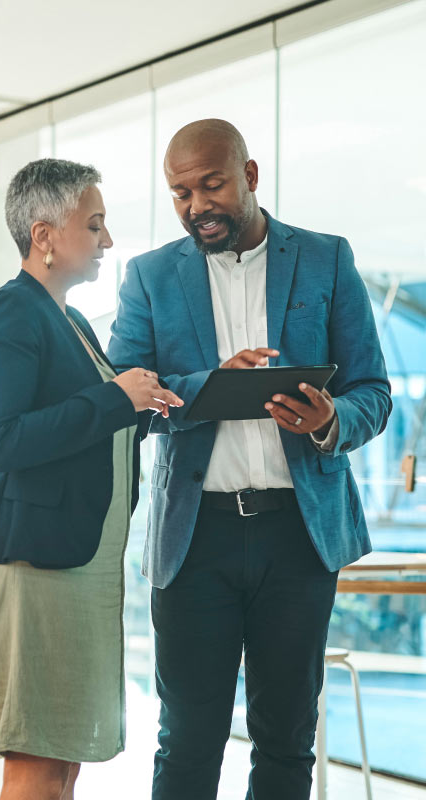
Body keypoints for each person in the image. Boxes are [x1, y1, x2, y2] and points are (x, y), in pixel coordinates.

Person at [107, 119, 392, 800]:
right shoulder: (148, 277)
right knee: (187, 740)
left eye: (211, 185)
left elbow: (373, 392)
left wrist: (330, 422)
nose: (196, 206)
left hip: (297, 534)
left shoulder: (324, 259)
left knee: (287, 738)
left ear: (250, 176)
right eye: (180, 193)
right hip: (192, 537)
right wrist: (213, 384)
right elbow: (124, 397)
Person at [0, 158, 183, 800]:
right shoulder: (10, 314)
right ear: (44, 235)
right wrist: (117, 400)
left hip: (71, 567)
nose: (108, 240)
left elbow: (95, 428)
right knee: (36, 760)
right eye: (95, 224)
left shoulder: (73, 322)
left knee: (61, 763)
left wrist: (186, 397)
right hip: (29, 568)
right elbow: (0, 441)